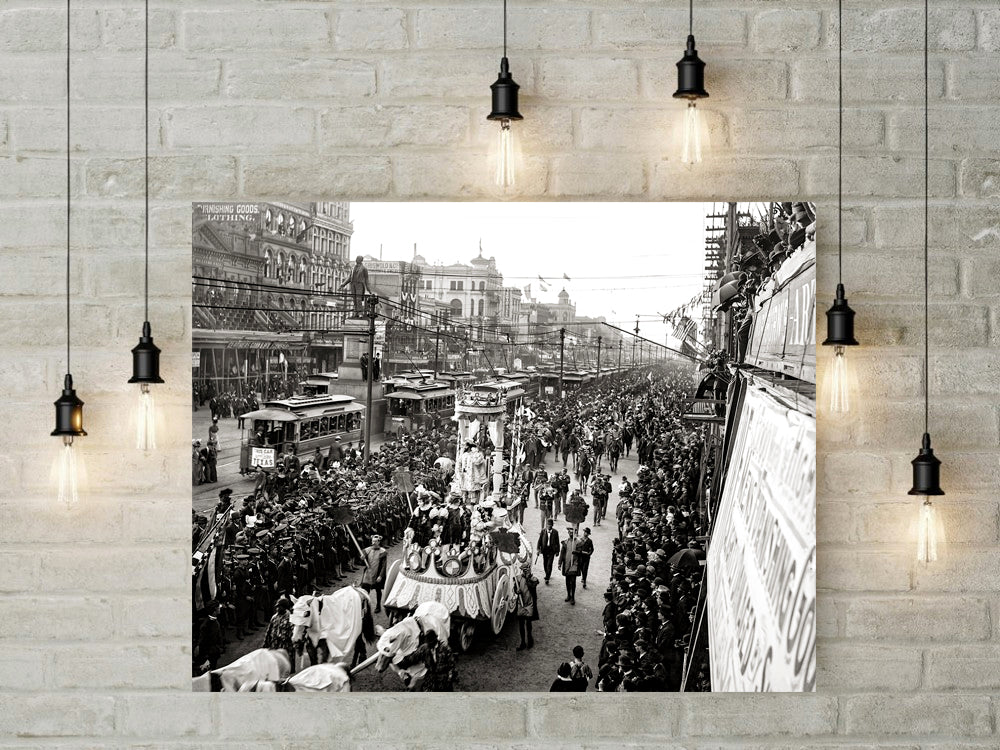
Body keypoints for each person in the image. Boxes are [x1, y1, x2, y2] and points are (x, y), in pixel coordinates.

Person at [360, 534, 388, 613]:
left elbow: (383, 565)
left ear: (379, 542)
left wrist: (381, 576)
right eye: (373, 541)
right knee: (365, 591)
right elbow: (362, 564)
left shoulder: (383, 552)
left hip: (377, 574)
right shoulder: (367, 550)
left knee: (378, 591)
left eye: (375, 541)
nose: (373, 543)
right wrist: (362, 559)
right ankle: (366, 607)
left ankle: (378, 605)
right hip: (368, 574)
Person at [514, 562, 538, 651]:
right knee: (521, 625)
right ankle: (523, 642)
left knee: (528, 624)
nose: (525, 571)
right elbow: (515, 589)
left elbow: (532, 586)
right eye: (524, 570)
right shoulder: (518, 579)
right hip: (521, 603)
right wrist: (517, 591)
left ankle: (530, 640)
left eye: (527, 570)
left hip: (529, 604)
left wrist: (528, 577)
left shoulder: (533, 579)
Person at [261, 597, 294, 661]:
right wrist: (265, 643)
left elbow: (293, 633)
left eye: (279, 607)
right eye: (277, 607)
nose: (277, 609)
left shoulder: (290, 618)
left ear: (285, 607)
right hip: (275, 645)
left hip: (286, 647)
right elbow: (269, 631)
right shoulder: (274, 617)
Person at [197, 601, 223, 672]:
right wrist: (207, 659)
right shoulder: (206, 625)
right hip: (210, 653)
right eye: (218, 608)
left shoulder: (214, 621)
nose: (220, 609)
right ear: (214, 610)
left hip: (214, 651)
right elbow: (202, 642)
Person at [559, 526, 581, 605]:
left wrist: (577, 552)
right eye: (570, 533)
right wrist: (559, 563)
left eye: (572, 533)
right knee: (567, 581)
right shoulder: (565, 542)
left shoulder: (578, 542)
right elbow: (562, 553)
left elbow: (581, 553)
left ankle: (573, 597)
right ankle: (568, 594)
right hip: (566, 564)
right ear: (568, 533)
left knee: (573, 581)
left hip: (574, 564)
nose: (571, 534)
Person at [535, 519, 559, 584]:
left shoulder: (555, 532)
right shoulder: (543, 531)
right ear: (546, 525)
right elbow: (539, 541)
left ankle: (547, 577)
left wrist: (557, 551)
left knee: (549, 564)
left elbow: (557, 542)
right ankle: (547, 573)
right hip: (544, 550)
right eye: (548, 525)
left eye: (550, 525)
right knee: (545, 564)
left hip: (552, 550)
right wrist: (538, 549)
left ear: (552, 525)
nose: (549, 526)